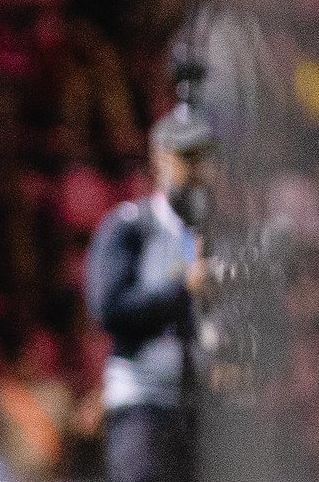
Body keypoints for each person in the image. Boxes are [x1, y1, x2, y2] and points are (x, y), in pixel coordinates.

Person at [85, 105, 215, 482]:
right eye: (187, 157)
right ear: (161, 158)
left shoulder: (221, 232)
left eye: (205, 159)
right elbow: (107, 308)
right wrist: (182, 289)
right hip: (144, 404)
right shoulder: (130, 227)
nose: (198, 171)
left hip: (206, 410)